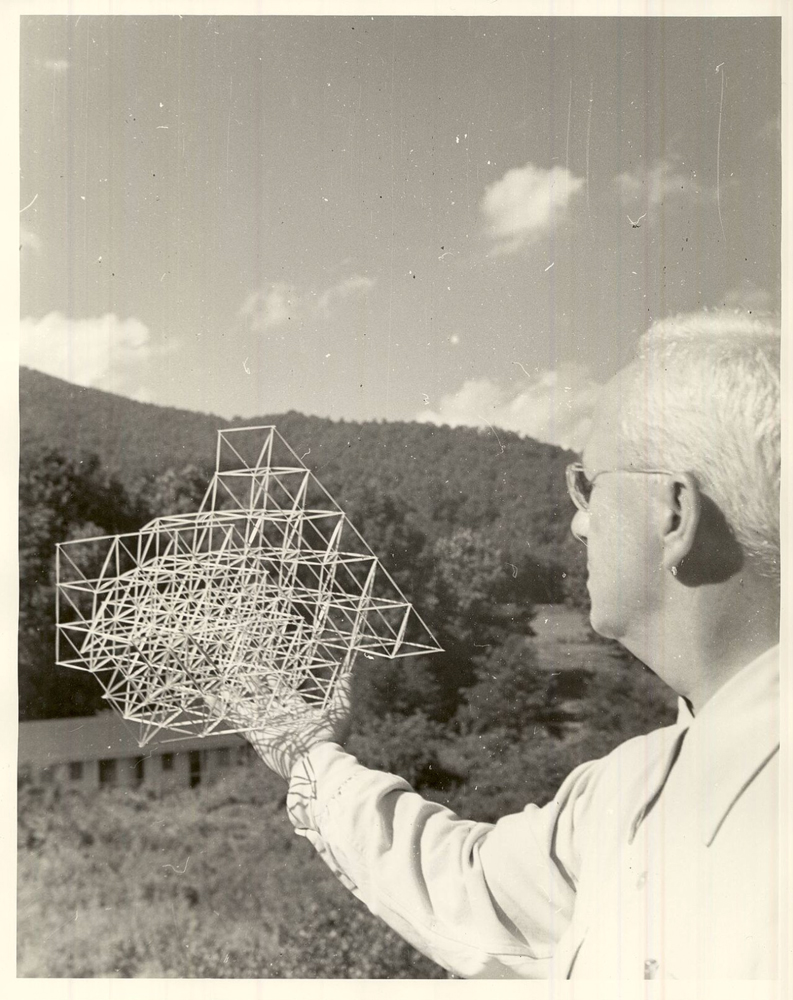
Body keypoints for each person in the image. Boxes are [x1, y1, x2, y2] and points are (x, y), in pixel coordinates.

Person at [224, 309, 781, 980]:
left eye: (586, 486)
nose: (578, 524)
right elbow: (473, 889)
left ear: (673, 513)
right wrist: (308, 755)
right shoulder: (626, 789)